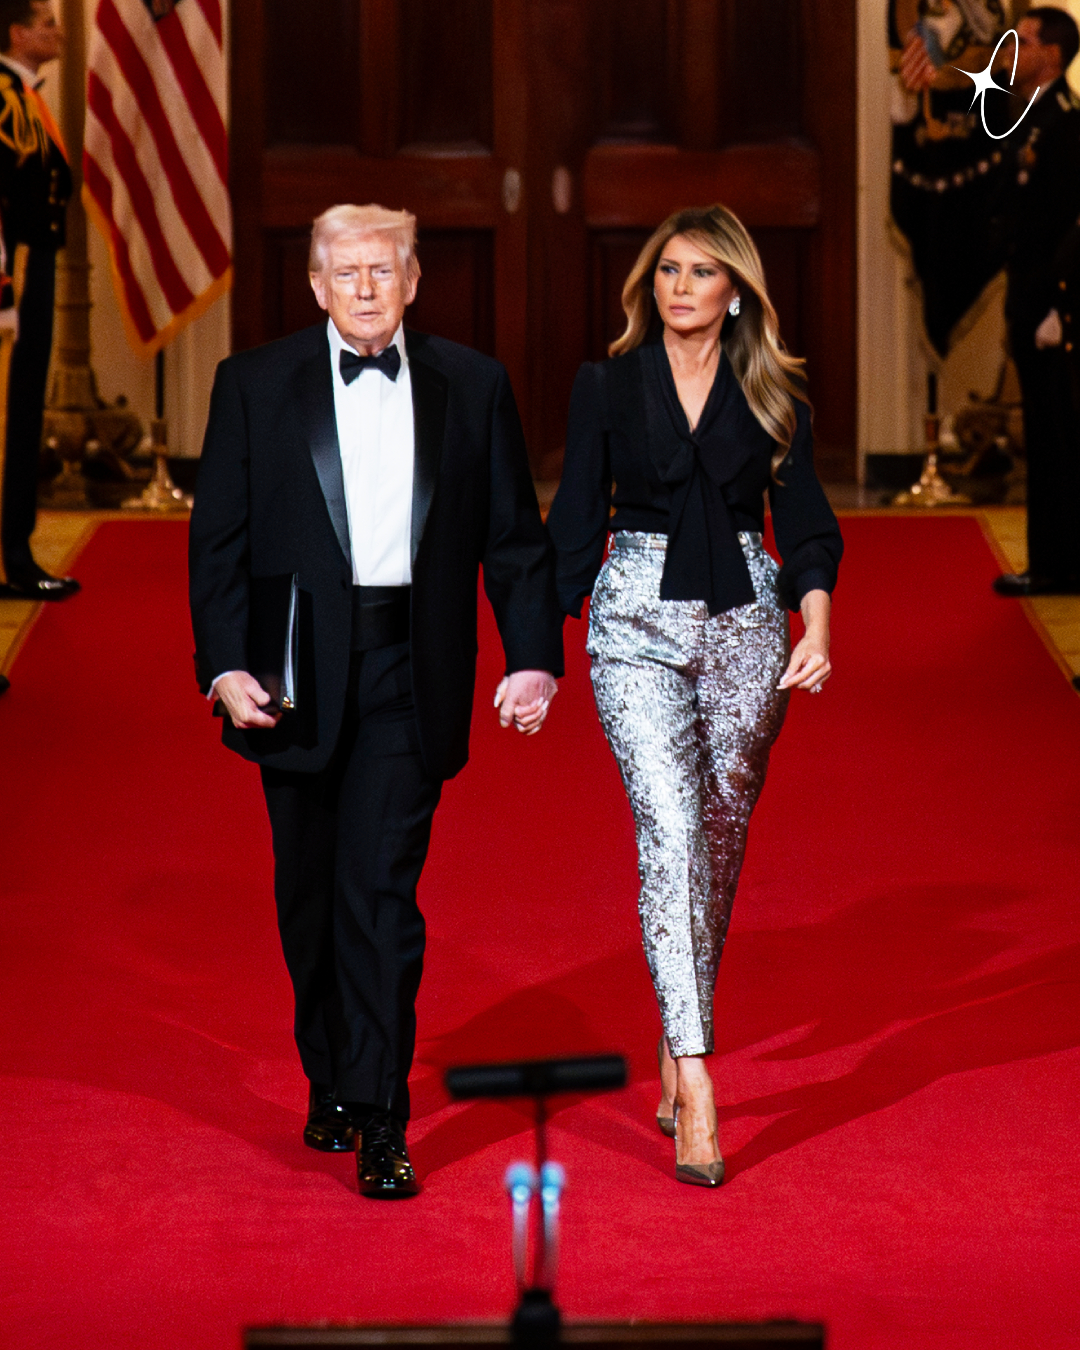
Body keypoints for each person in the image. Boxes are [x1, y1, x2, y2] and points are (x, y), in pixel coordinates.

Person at [189, 204, 563, 1197]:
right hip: (290, 674)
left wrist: (532, 656)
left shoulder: (473, 386)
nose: (363, 287)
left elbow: (515, 539)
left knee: (380, 894)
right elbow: (217, 541)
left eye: (382, 270)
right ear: (314, 285)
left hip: (409, 664)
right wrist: (223, 665)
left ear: (412, 280)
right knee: (308, 896)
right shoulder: (253, 385)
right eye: (344, 271)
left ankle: (382, 1115)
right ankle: (331, 1078)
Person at [547, 205, 842, 1187]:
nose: (680, 286)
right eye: (666, 269)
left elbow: (804, 521)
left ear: (736, 292)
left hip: (750, 629)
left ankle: (678, 1040)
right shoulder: (606, 385)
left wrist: (819, 624)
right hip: (632, 624)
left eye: (701, 272)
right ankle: (700, 1078)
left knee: (714, 844)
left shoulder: (775, 390)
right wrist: (531, 652)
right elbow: (574, 520)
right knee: (670, 833)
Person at [986, 8, 1080, 597]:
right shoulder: (1029, 115)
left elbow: (1071, 226)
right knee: (1043, 437)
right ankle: (1051, 562)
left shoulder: (1066, 123)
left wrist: (1056, 305)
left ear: (1052, 52)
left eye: (1021, 39)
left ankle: (1061, 566)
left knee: (1058, 438)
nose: (1011, 48)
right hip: (1029, 297)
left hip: (1052, 304)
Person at [0, 0, 78, 600]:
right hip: (17, 270)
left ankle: (16, 551)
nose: (58, 33)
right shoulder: (4, 97)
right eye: (47, 24)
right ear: (17, 32)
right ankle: (11, 557)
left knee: (24, 410)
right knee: (12, 413)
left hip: (36, 263)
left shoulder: (25, 93)